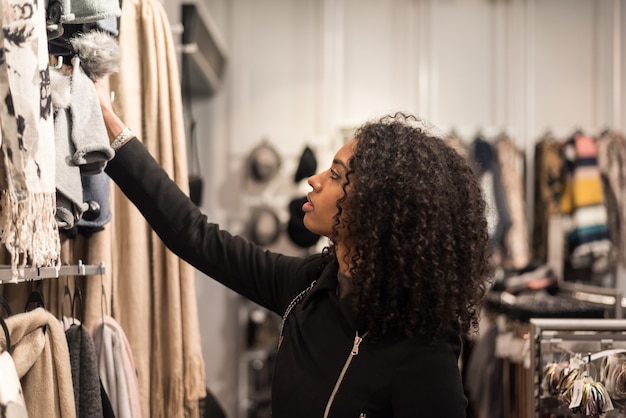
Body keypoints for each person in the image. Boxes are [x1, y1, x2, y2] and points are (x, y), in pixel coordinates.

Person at [95, 80, 491, 418]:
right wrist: (114, 134)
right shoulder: (309, 287)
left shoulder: (424, 347)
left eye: (335, 175)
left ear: (377, 208)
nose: (314, 180)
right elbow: (193, 235)